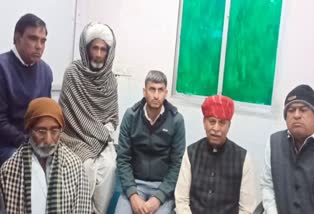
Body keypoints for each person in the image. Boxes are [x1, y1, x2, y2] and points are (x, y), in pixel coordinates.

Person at [59, 22, 118, 214]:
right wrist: (92, 131)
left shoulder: (110, 80)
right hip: (73, 136)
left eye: (103, 49)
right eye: (95, 48)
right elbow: (67, 113)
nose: (99, 54)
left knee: (110, 166)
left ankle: (97, 211)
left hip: (101, 138)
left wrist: (102, 131)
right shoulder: (72, 73)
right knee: (85, 166)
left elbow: (113, 116)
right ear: (86, 49)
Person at [0, 97, 91, 213]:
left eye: (54, 131)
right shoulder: (9, 170)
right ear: (29, 130)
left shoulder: (74, 166)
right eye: (41, 131)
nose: (48, 140)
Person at [115, 70, 186, 214]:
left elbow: (177, 164)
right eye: (152, 89)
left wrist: (158, 198)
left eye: (160, 90)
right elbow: (123, 158)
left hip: (163, 188)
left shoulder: (176, 120)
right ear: (144, 91)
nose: (156, 95)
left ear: (165, 93)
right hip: (135, 185)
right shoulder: (131, 116)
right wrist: (132, 194)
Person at [175, 95, 256, 214]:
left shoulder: (242, 158)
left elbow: (247, 208)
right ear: (204, 122)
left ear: (229, 126)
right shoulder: (191, 153)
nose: (216, 128)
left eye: (222, 123)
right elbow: (181, 200)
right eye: (212, 121)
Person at [0, 13, 53, 165]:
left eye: (43, 41)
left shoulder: (46, 71)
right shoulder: (2, 68)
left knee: (65, 162)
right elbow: (1, 121)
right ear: (17, 38)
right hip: (6, 144)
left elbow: (45, 115)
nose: (39, 46)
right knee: (29, 165)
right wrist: (28, 144)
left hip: (35, 142)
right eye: (33, 38)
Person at [261, 84, 314, 214]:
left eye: (303, 110)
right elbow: (267, 185)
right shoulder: (274, 142)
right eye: (291, 110)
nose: (296, 115)